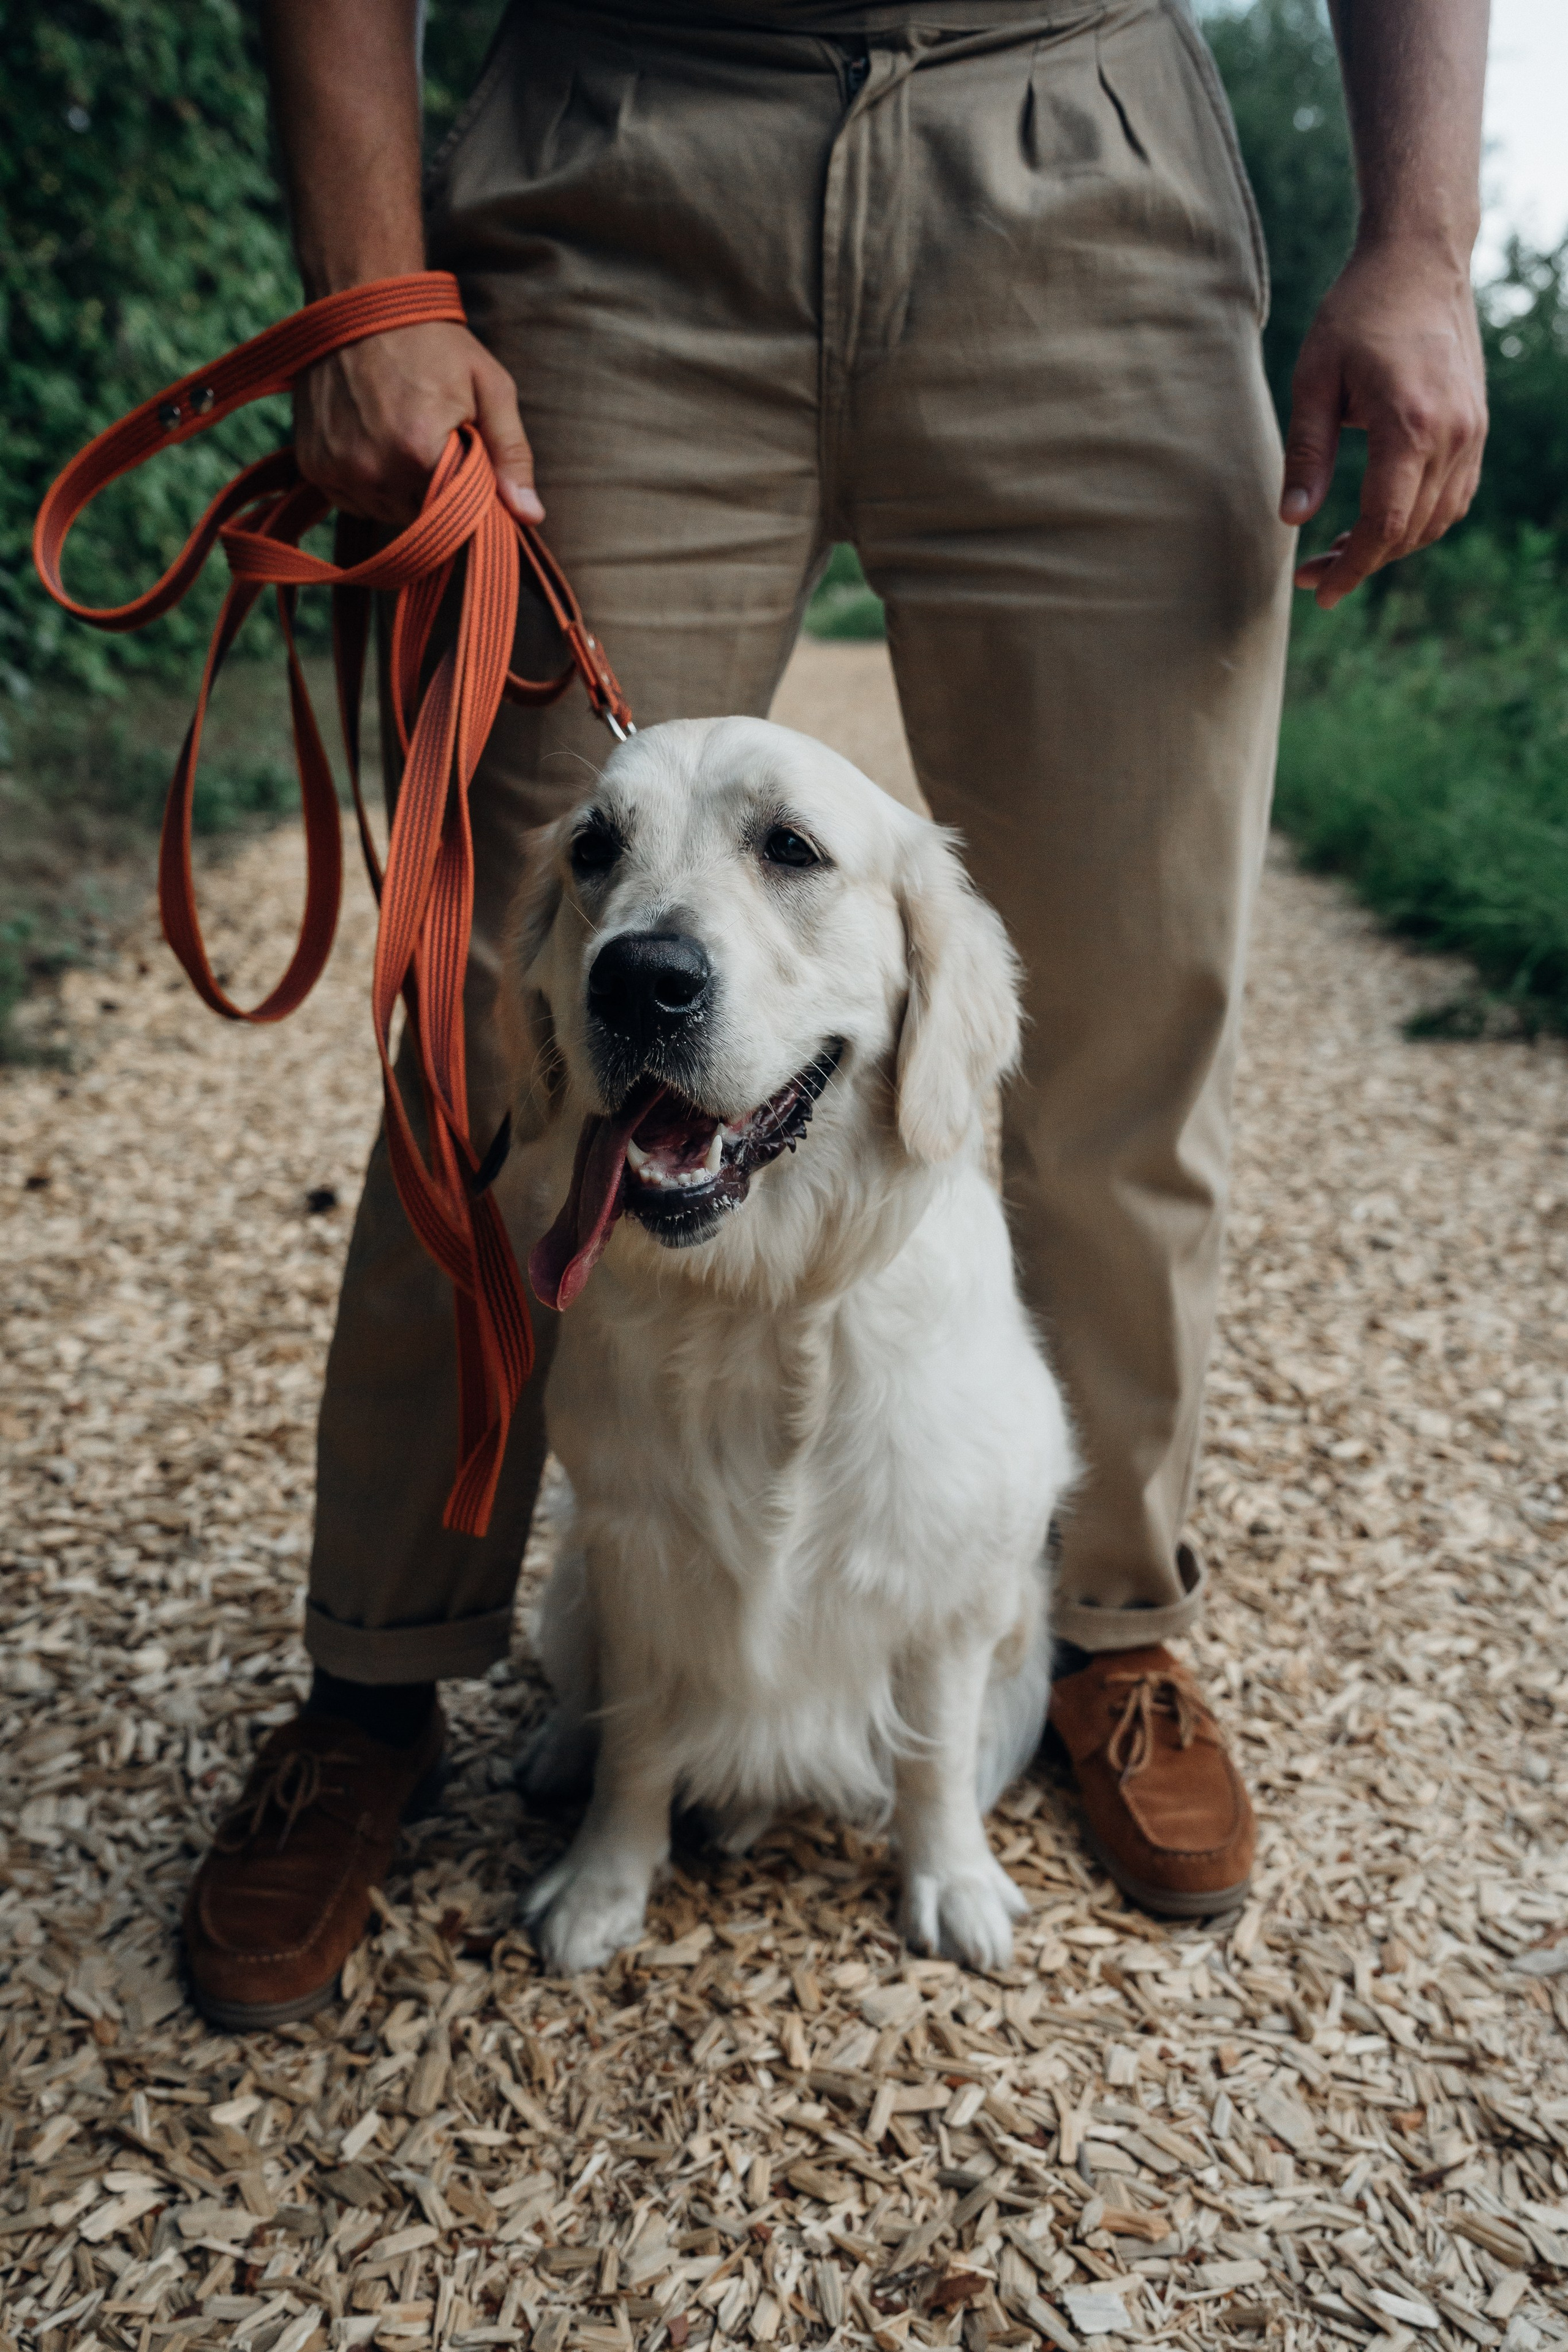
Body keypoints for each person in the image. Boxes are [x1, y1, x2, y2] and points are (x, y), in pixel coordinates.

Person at [181, 0, 1488, 2025]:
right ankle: (374, 1679)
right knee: (503, 1014)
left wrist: (1418, 232)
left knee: (1132, 1017)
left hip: (1091, 140)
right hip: (622, 138)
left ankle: (1102, 1628)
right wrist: (367, 277)